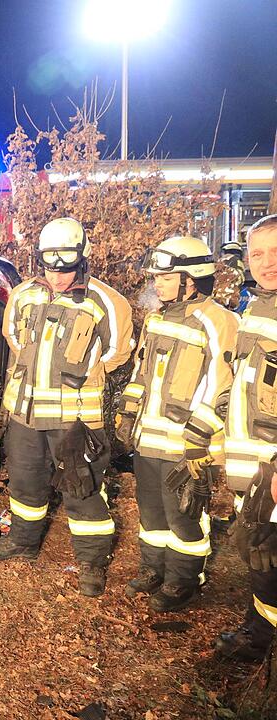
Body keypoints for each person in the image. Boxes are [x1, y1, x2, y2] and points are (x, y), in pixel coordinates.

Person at [0, 218, 133, 596]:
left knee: (82, 489)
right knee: (25, 482)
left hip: (76, 419)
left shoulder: (107, 301)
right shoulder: (23, 294)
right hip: (25, 413)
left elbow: (118, 352)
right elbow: (13, 337)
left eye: (66, 270)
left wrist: (85, 376)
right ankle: (23, 542)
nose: (59, 278)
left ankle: (91, 562)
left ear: (82, 259)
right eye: (52, 268)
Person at [116, 235, 237, 612]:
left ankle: (184, 580)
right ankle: (154, 569)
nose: (157, 284)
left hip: (187, 445)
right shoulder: (156, 319)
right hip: (148, 439)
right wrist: (127, 412)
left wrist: (198, 437)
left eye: (165, 277)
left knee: (185, 516)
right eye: (156, 277)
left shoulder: (220, 321)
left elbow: (224, 385)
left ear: (191, 278)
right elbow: (141, 371)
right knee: (151, 512)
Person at [215, 214, 277, 661]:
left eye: (276, 252)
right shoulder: (256, 308)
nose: (267, 263)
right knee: (260, 558)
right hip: (252, 468)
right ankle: (258, 633)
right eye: (258, 254)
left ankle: (260, 647)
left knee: (270, 562)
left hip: (272, 469)